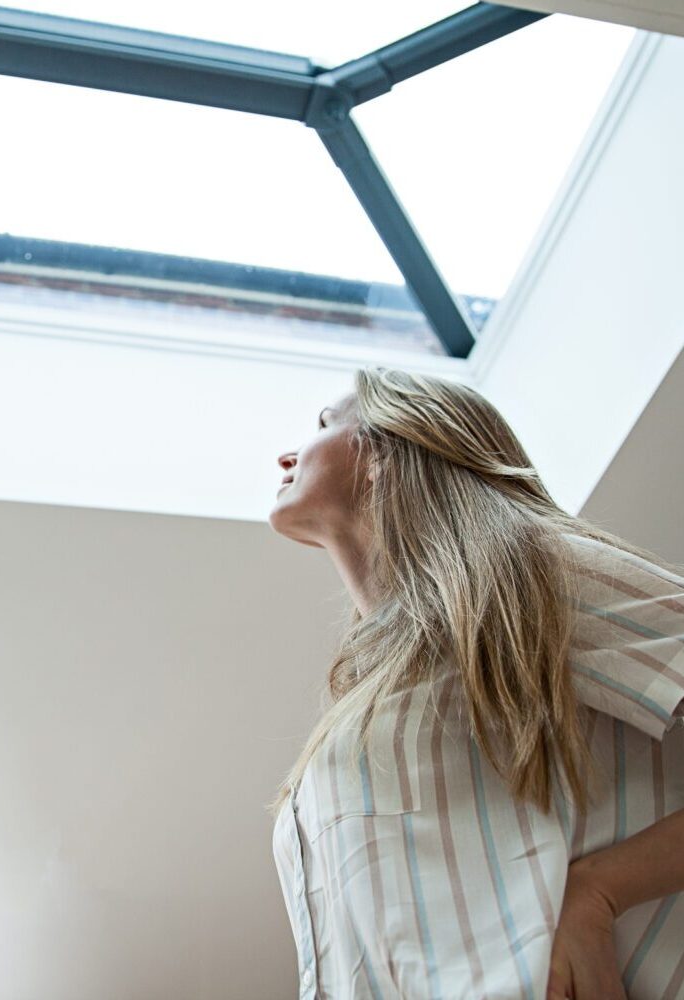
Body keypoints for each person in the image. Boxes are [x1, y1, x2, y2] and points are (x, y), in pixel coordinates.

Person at [266, 365, 684, 1000]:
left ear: (386, 447)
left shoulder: (524, 569)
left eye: (325, 423)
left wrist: (599, 891)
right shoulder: (372, 689)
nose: (286, 453)